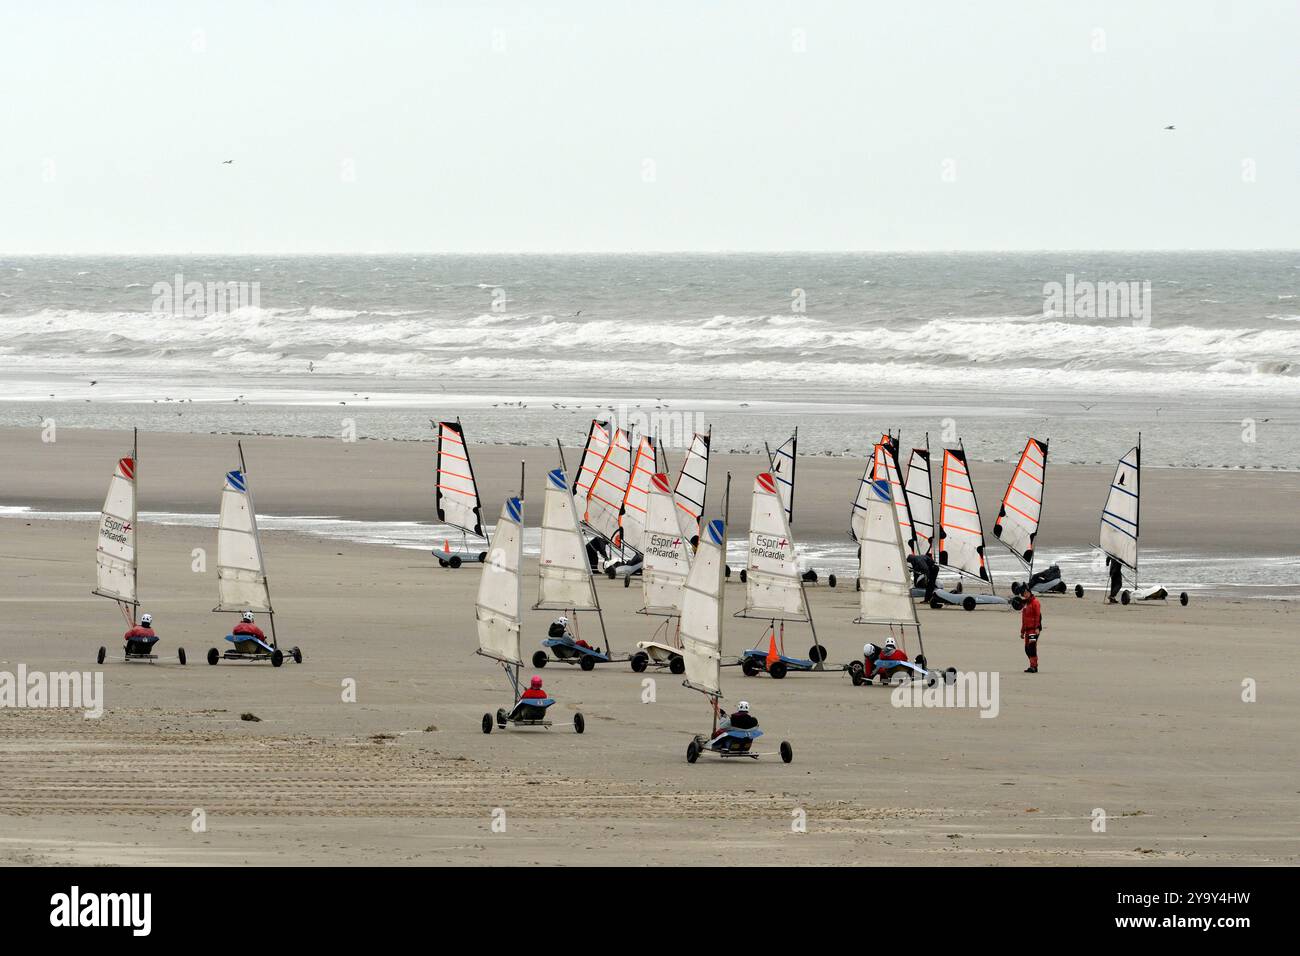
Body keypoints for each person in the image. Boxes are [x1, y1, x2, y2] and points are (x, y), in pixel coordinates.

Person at [1020, 590, 1042, 673]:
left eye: (1026, 593)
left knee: (1032, 647)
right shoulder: (1025, 604)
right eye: (1024, 593)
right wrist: (1022, 631)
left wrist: (1037, 628)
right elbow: (1024, 619)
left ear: (1030, 593)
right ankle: (1032, 665)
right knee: (1026, 649)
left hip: (1034, 629)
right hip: (1027, 630)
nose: (1025, 595)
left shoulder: (1035, 602)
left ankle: (1034, 666)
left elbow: (1038, 616)